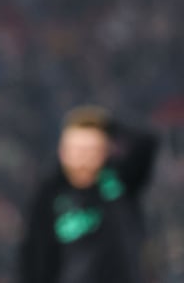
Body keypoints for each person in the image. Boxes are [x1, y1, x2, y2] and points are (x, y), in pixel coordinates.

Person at [17, 105, 160, 283]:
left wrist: (107, 125)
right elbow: (33, 258)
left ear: (104, 152)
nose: (83, 159)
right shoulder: (50, 194)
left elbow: (147, 141)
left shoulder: (120, 182)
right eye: (77, 150)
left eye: (91, 150)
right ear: (63, 153)